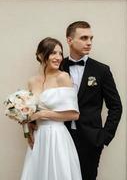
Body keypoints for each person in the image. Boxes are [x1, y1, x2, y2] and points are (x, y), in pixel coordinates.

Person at [62, 21, 122, 180]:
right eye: (83, 38)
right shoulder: (58, 66)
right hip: (61, 137)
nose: (89, 42)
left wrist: (104, 136)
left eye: (91, 38)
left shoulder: (101, 70)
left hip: (90, 140)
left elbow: (116, 106)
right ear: (69, 40)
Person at [20, 37, 82, 180]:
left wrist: (43, 114)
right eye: (53, 53)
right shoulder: (32, 81)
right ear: (41, 55)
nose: (58, 57)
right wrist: (28, 125)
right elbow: (28, 111)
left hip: (57, 136)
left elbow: (74, 115)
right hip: (38, 137)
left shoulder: (63, 77)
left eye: (60, 53)